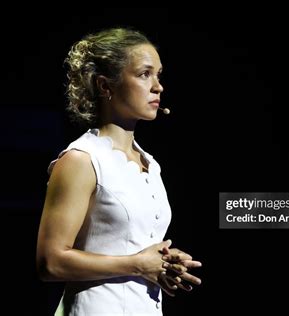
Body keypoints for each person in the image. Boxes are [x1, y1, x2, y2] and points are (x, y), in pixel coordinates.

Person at [36, 27, 202, 315]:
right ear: (105, 86)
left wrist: (163, 262)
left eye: (158, 75)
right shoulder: (82, 159)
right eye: (144, 74)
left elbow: (132, 245)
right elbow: (50, 262)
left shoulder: (151, 164)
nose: (158, 87)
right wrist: (137, 264)